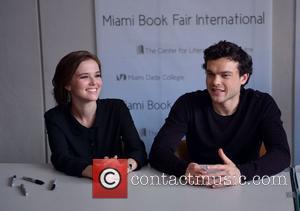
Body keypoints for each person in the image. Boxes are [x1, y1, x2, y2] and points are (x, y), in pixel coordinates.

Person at [149, 41, 290, 188]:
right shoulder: (188, 103)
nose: (215, 82)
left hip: (247, 186)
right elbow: (158, 152)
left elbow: (281, 154)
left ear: (243, 78)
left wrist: (240, 174)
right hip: (198, 187)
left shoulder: (262, 104)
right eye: (210, 74)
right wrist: (184, 169)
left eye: (225, 75)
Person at [45, 50, 147, 178]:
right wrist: (94, 170)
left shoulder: (117, 108)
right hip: (74, 187)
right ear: (67, 84)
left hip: (117, 183)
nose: (94, 82)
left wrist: (126, 166)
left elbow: (138, 150)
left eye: (97, 75)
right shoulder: (54, 117)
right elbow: (60, 158)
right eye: (84, 77)